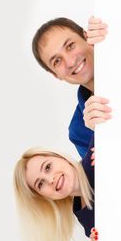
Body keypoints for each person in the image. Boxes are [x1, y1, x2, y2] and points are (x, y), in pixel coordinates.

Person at [32, 17, 111, 158]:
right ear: (56, 75)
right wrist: (100, 135)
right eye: (57, 61)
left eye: (70, 46)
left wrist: (111, 29)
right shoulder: (78, 130)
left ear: (86, 36)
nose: (69, 62)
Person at [13, 132, 96, 241]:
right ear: (44, 197)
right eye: (40, 184)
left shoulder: (98, 148)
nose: (50, 179)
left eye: (47, 167)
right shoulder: (84, 218)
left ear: (60, 157)